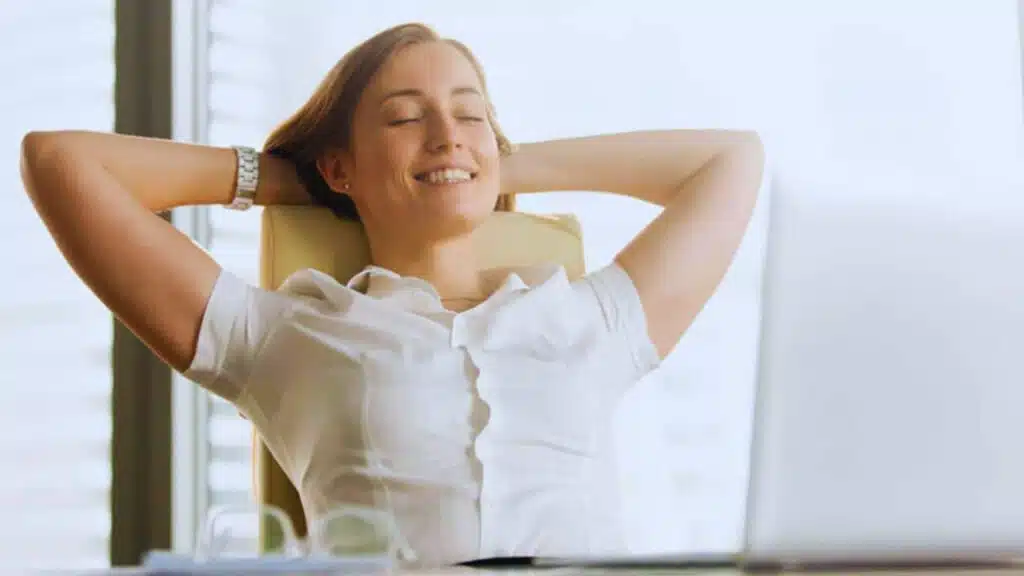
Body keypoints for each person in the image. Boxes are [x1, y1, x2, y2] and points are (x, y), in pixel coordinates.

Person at [20, 22, 764, 567]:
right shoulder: (283, 338)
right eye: (406, 118)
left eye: (471, 113)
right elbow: (60, 161)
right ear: (342, 166)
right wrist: (298, 179)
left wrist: (491, 165)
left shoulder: (590, 318)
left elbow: (732, 161)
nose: (447, 133)